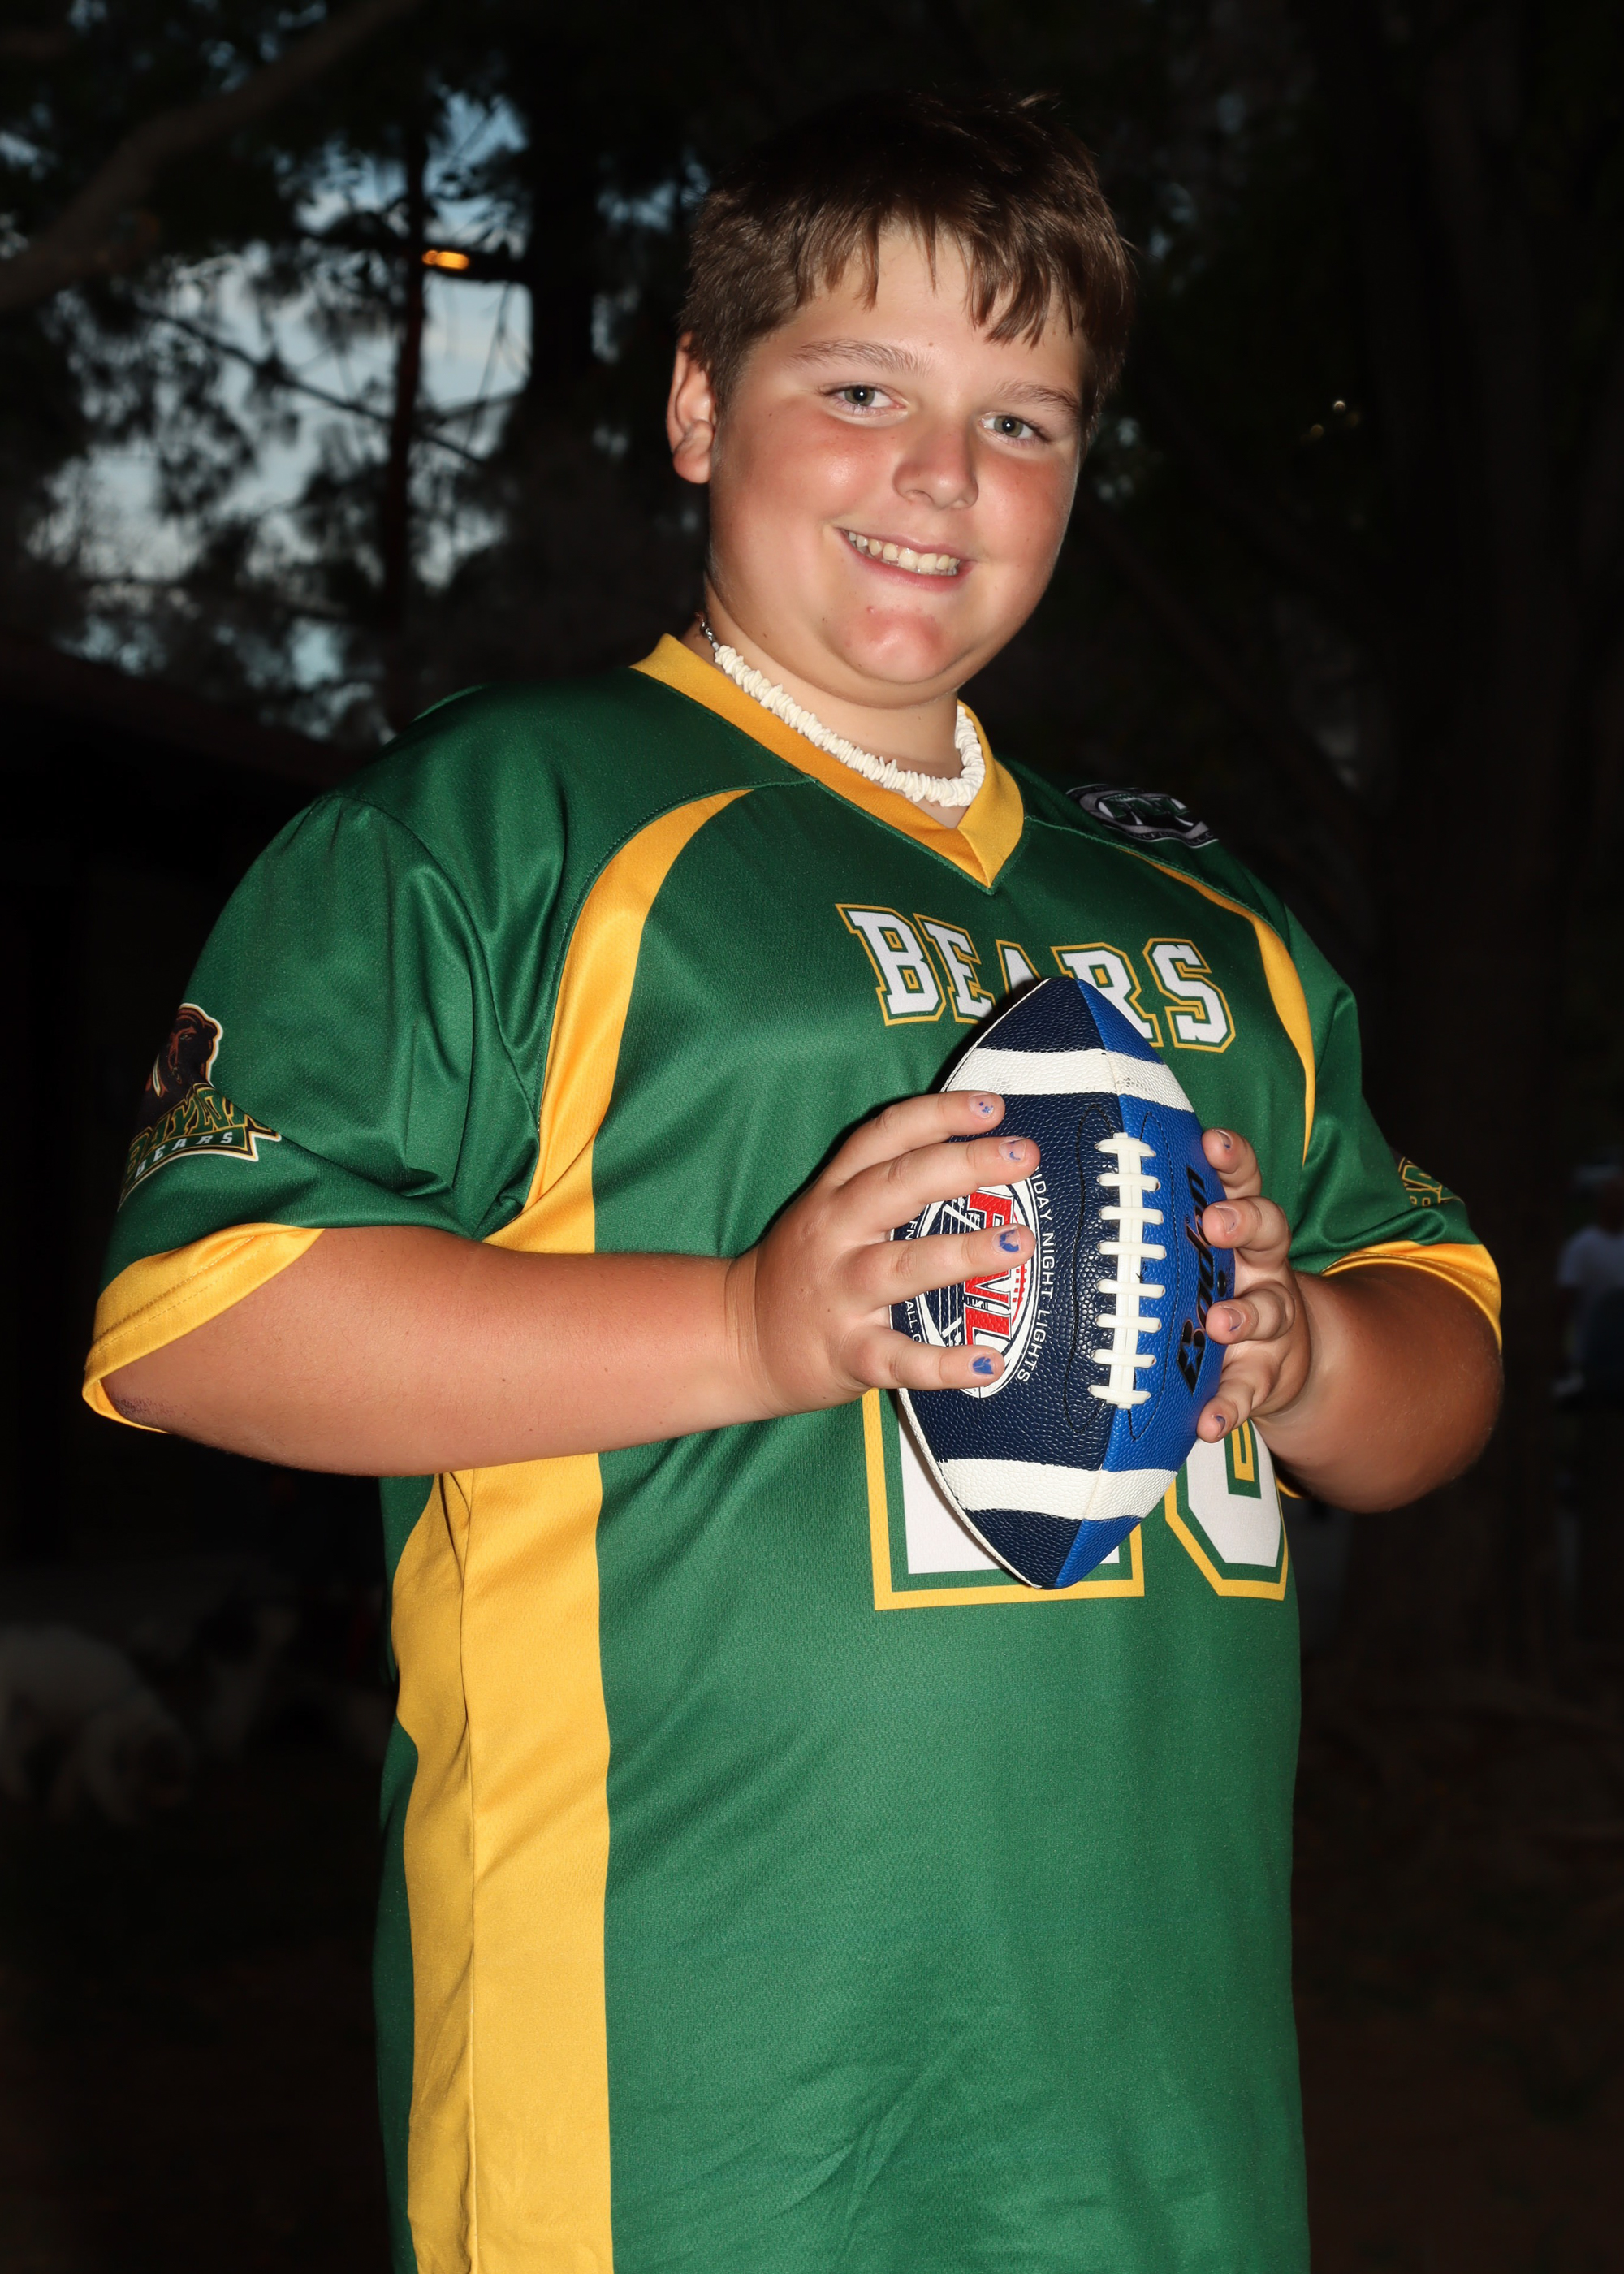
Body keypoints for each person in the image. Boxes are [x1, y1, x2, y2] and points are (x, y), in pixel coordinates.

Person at [84, 91, 1500, 2274]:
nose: (941, 475)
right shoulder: (511, 813)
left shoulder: (1209, 923)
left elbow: (1443, 1362)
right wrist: (754, 1323)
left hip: (1157, 2124)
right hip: (683, 2096)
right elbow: (200, 1324)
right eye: (860, 392)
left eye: (1020, 421)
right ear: (695, 405)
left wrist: (1306, 1354)